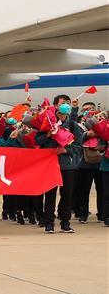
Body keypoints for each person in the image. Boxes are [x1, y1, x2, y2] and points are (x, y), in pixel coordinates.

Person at [36, 95, 83, 233]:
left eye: (67, 103)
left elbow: (78, 145)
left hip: (67, 165)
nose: (65, 105)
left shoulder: (73, 125)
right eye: (62, 103)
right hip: (50, 164)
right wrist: (48, 135)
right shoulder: (47, 123)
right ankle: (49, 223)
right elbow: (37, 141)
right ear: (55, 105)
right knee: (50, 195)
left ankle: (65, 222)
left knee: (67, 195)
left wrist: (66, 149)